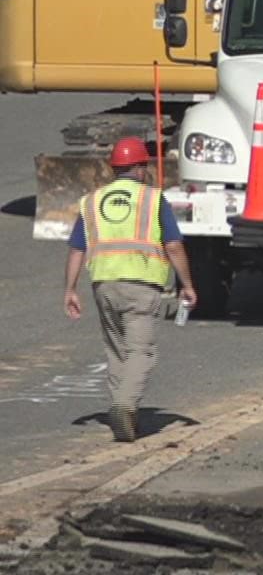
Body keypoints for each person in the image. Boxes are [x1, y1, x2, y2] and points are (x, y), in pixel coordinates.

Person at [62, 138, 197, 443]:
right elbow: (173, 246)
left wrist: (70, 289)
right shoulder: (152, 199)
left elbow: (76, 249)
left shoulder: (92, 201)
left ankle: (125, 413)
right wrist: (186, 284)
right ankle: (125, 406)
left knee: (117, 350)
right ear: (139, 168)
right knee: (141, 352)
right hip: (141, 284)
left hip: (104, 285)